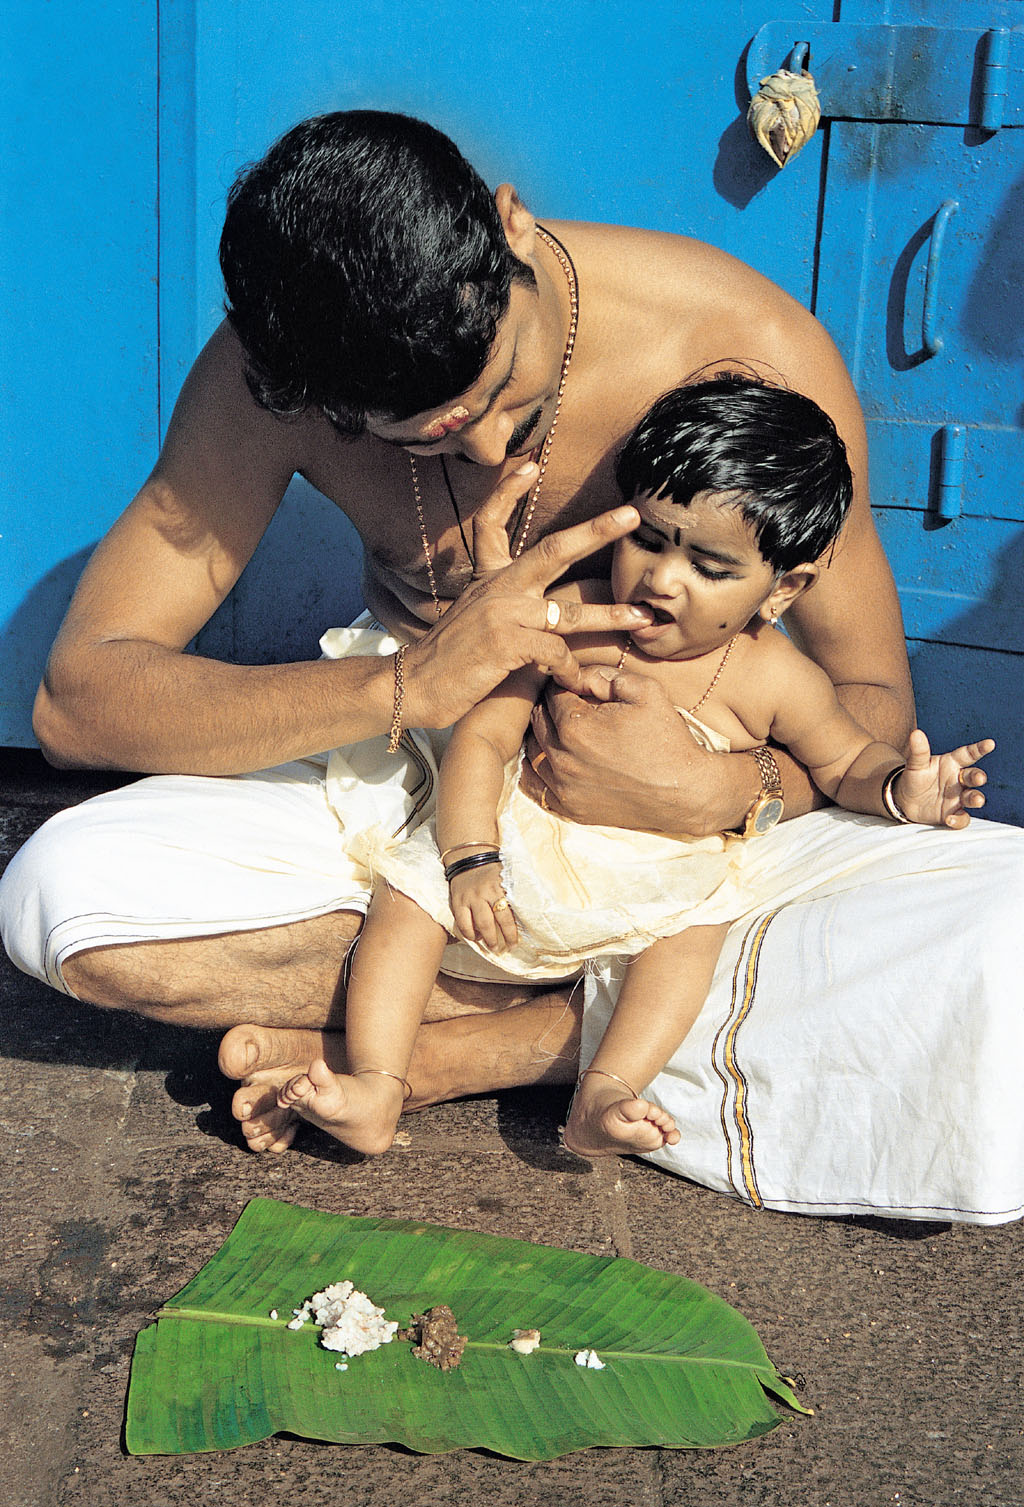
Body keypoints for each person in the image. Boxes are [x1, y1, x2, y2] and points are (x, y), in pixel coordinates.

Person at [1, 110, 1021, 1221]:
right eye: (424, 439)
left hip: (686, 834)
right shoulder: (269, 373)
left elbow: (868, 703)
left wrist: (732, 790)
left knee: (997, 926)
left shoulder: (741, 352)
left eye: (499, 398)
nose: (489, 453)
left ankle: (464, 1047)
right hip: (414, 792)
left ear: (510, 227)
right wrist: (409, 687)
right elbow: (77, 698)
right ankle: (585, 1021)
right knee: (59, 904)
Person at [272, 377, 994, 1160]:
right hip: (521, 839)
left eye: (711, 568)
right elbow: (484, 737)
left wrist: (901, 787)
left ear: (783, 588)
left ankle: (608, 1087)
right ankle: (378, 1085)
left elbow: (847, 759)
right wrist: (469, 855)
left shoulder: (772, 678)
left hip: (659, 873)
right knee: (405, 900)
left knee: (692, 935)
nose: (662, 579)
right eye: (648, 539)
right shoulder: (571, 614)